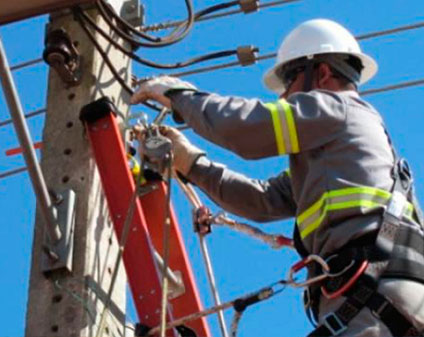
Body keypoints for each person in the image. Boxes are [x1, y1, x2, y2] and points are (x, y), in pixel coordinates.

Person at [131, 19, 424, 337]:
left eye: (289, 80)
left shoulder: (338, 108)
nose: (284, 95)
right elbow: (261, 200)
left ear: (321, 72)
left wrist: (180, 96)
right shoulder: (335, 159)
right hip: (379, 301)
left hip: (371, 300)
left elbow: (247, 128)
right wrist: (193, 164)